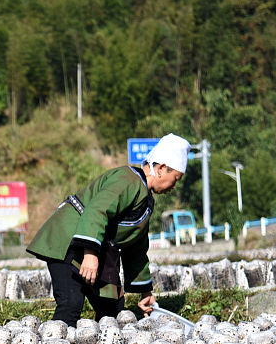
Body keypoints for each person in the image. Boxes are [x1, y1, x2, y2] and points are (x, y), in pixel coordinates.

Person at [26, 133, 189, 326]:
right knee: (71, 304)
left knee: (111, 310)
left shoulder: (146, 201)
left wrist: (145, 291)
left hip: (96, 251)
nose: (174, 186)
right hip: (69, 240)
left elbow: (136, 248)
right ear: (161, 169)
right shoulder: (127, 179)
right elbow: (98, 210)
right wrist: (90, 255)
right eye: (175, 179)